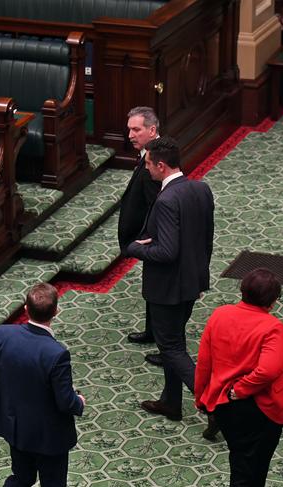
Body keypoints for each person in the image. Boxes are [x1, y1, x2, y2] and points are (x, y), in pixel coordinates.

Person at [125, 136, 214, 423]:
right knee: (176, 343)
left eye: (149, 164)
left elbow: (166, 251)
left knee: (172, 349)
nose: (147, 169)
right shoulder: (201, 189)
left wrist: (136, 246)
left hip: (168, 289)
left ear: (161, 166)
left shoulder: (165, 200)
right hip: (192, 282)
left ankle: (214, 405)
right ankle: (170, 402)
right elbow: (206, 240)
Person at [0, 283, 85, 487]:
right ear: (56, 311)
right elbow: (64, 402)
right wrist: (79, 402)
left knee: (21, 478)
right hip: (49, 436)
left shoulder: (3, 334)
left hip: (16, 425)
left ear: (25, 308)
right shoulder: (56, 354)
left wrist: (8, 396)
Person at [195, 268, 283, 487]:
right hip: (258, 408)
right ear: (273, 300)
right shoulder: (272, 327)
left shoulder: (220, 314)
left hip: (223, 403)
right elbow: (268, 370)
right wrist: (241, 389)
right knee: (251, 471)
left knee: (240, 461)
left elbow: (204, 363)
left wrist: (202, 397)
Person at [119, 106, 162, 367]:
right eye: (129, 129)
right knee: (151, 285)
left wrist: (149, 236)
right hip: (146, 238)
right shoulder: (149, 153)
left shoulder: (155, 163)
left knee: (158, 289)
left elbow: (158, 205)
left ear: (152, 130)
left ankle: (164, 343)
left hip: (153, 239)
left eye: (136, 129)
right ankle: (152, 330)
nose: (131, 135)